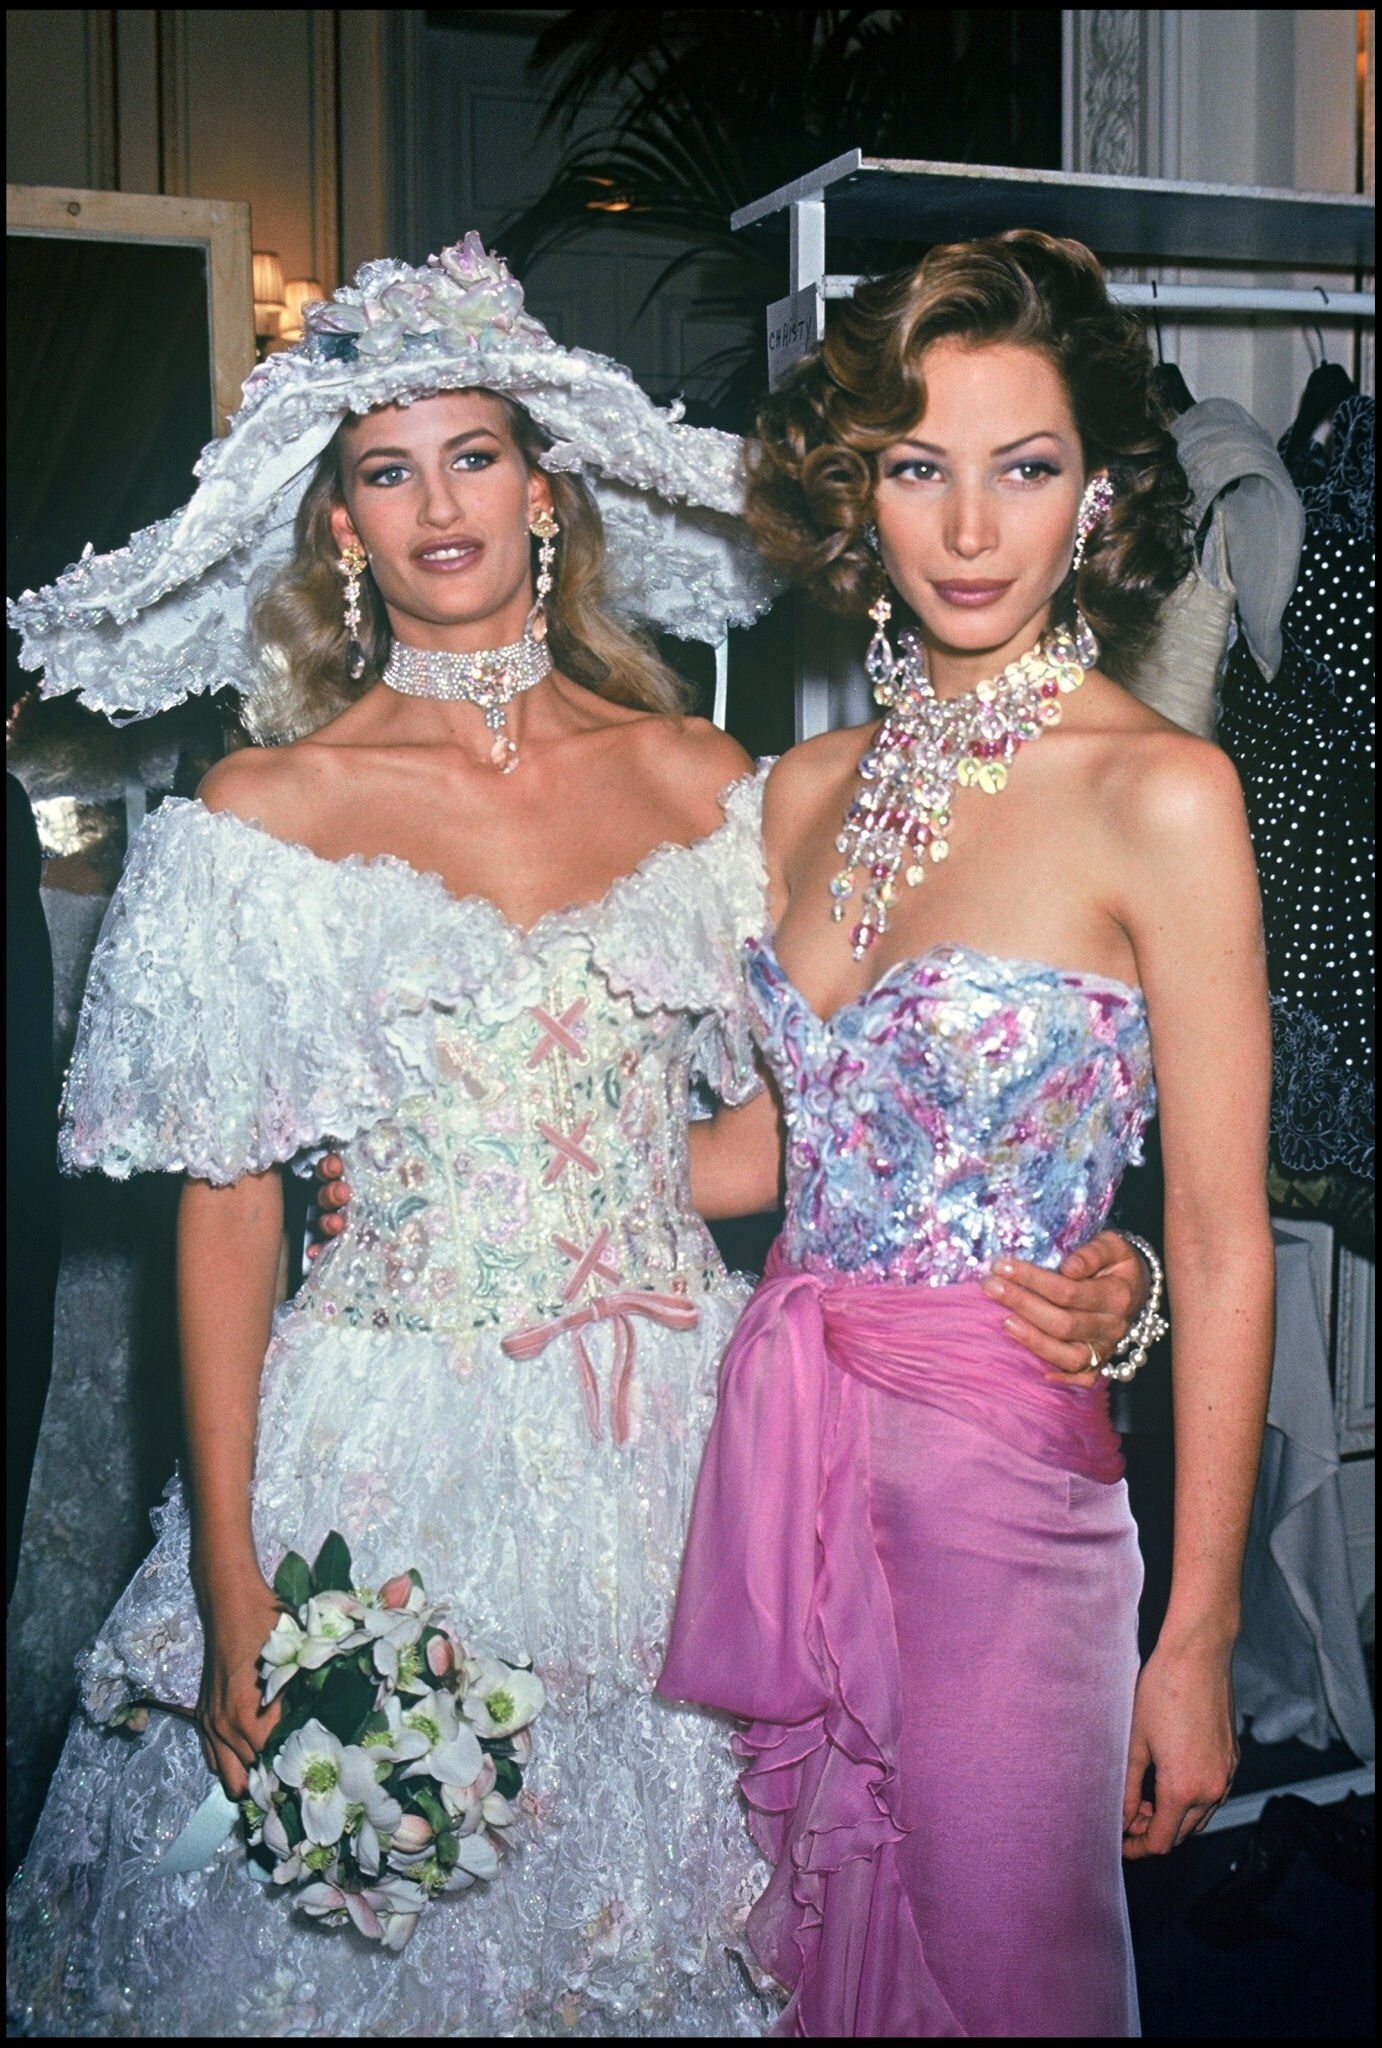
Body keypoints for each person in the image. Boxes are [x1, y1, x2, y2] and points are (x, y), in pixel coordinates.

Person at [7, 235, 1144, 2038]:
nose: (436, 506)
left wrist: (1096, 1253)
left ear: (543, 491)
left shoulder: (704, 783)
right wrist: (231, 1575)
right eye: (387, 471)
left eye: (472, 456)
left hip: (690, 1445)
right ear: (339, 525)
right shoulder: (259, 814)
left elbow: (835, 1116)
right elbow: (226, 1217)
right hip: (377, 1434)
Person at [660, 230, 1275, 2039]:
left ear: (1097, 496)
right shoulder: (794, 794)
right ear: (859, 494)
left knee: (1008, 1984)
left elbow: (1219, 1232)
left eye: (1025, 468)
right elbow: (764, 1153)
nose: (971, 528)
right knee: (790, 1969)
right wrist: (467, 1169)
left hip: (1004, 1495)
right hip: (776, 1457)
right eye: (918, 468)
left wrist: (1200, 1634)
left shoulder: (1161, 793)